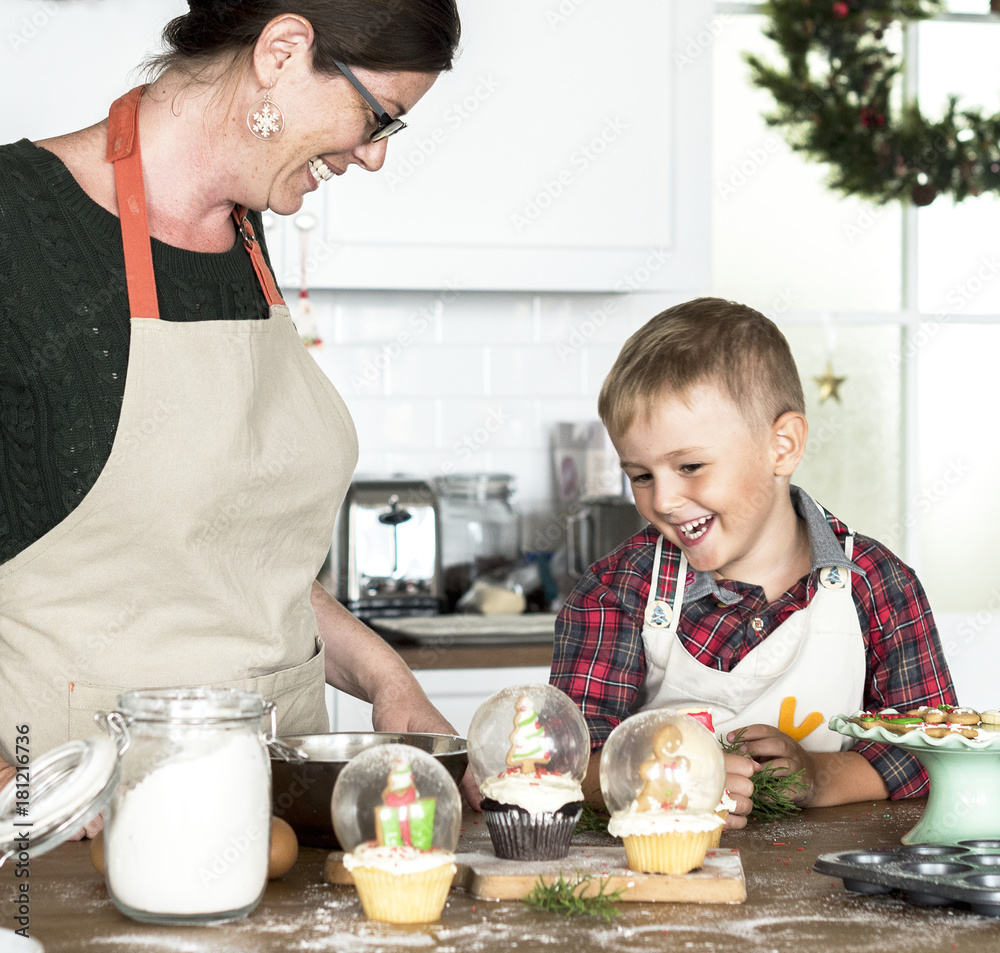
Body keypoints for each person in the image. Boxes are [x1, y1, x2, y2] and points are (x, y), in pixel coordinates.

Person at [0, 0, 480, 812]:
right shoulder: (18, 227)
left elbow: (238, 564)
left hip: (280, 815)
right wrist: (16, 791)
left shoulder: (248, 240)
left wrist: (388, 681)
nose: (372, 157)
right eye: (379, 120)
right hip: (71, 830)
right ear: (284, 51)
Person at [549, 297, 956, 827]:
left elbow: (934, 753)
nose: (664, 500)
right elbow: (564, 765)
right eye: (641, 475)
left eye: (689, 466)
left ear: (781, 446)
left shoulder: (878, 585)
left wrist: (819, 777)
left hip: (829, 892)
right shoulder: (618, 590)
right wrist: (660, 777)